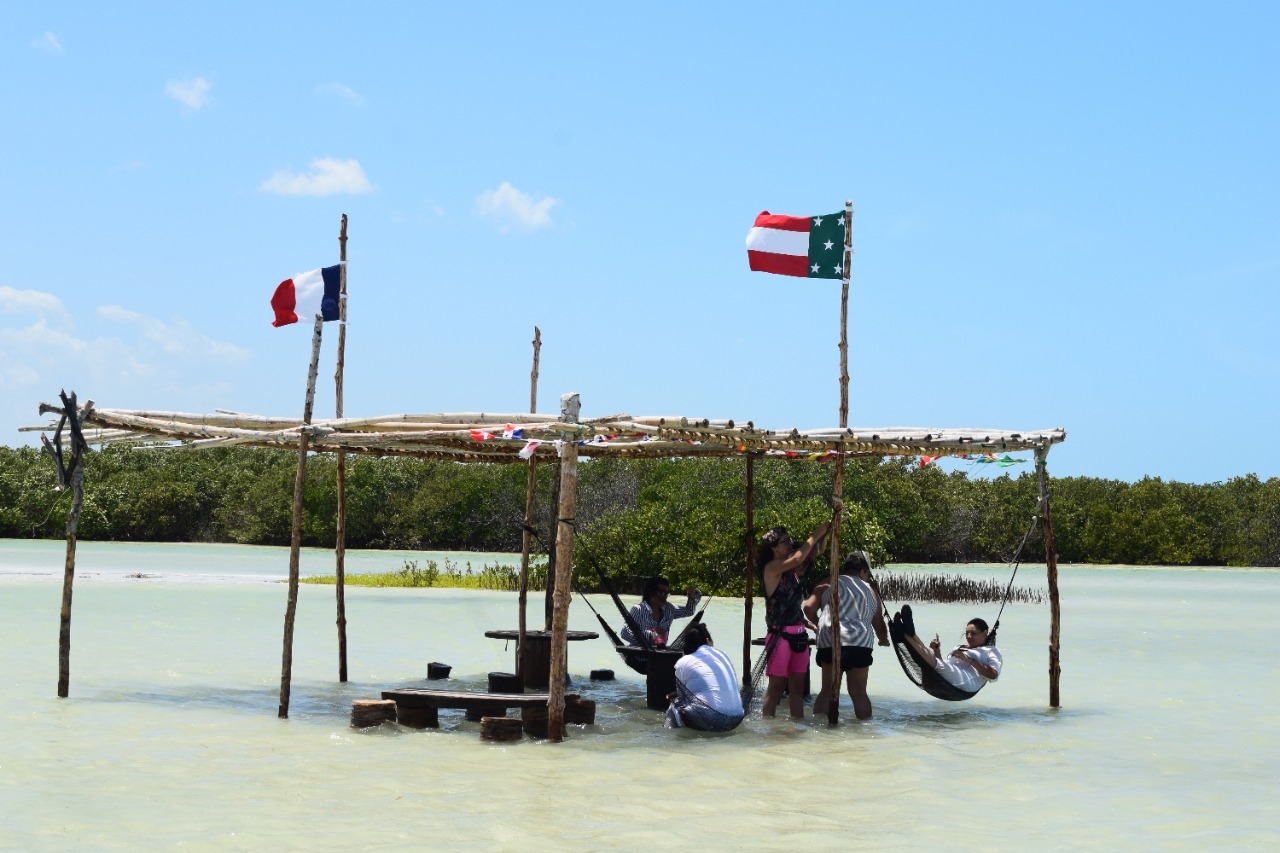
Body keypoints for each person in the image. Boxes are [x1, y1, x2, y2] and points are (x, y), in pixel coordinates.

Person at [803, 550, 890, 720]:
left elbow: (808, 608)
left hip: (830, 640)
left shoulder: (828, 583)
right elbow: (878, 623)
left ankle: (820, 732)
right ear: (863, 571)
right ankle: (864, 732)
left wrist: (817, 624)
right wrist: (883, 640)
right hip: (860, 643)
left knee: (827, 690)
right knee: (859, 693)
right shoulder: (871, 591)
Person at [759, 521, 831, 719]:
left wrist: (824, 535)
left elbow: (818, 550)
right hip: (779, 636)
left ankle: (797, 727)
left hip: (799, 635)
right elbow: (799, 557)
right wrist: (816, 532)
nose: (790, 544)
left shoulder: (792, 570)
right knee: (776, 688)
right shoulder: (772, 568)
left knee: (797, 689)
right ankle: (769, 727)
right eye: (785, 541)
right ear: (774, 548)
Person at [891, 605, 1003, 692]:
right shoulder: (959, 648)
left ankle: (905, 635)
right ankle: (910, 635)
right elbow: (943, 665)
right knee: (932, 660)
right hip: (947, 675)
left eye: (973, 633)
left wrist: (968, 660)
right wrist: (937, 651)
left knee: (931, 661)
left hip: (963, 680)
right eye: (967, 633)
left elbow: (993, 674)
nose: (969, 636)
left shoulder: (991, 651)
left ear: (984, 633)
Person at [664, 624, 745, 731]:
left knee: (675, 704)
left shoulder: (684, 661)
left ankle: (667, 734)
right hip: (736, 717)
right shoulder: (724, 655)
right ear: (707, 641)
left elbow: (681, 695)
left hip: (709, 717)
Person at [620, 575, 701, 647]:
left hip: (660, 657)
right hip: (640, 657)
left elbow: (689, 611)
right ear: (651, 591)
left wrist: (692, 596)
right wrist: (650, 635)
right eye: (660, 592)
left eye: (666, 593)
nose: (664, 596)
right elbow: (624, 633)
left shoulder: (669, 609)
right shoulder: (638, 609)